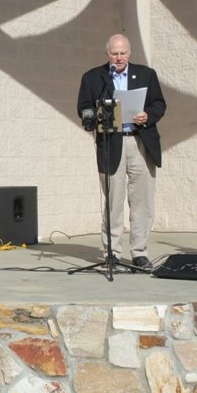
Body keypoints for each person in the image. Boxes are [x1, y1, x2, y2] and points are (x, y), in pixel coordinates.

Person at [77, 33, 166, 269]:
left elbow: (159, 103)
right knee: (113, 201)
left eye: (123, 53)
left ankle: (139, 252)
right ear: (107, 54)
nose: (119, 57)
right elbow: (84, 107)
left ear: (130, 52)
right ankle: (112, 253)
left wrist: (148, 116)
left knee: (142, 201)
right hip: (111, 143)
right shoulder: (94, 77)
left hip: (140, 141)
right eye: (114, 53)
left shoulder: (147, 74)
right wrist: (91, 117)